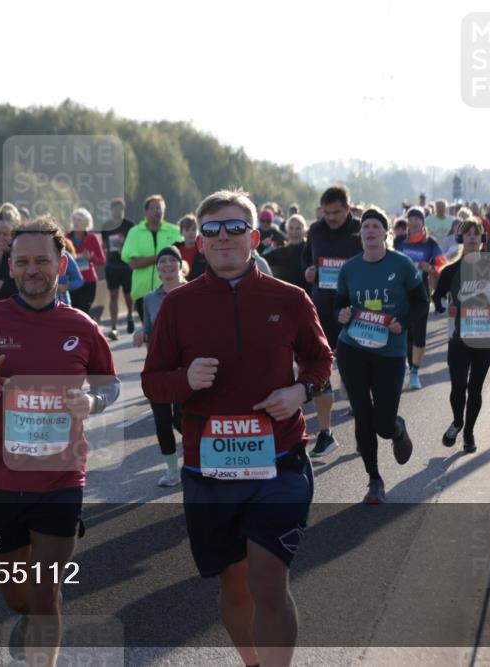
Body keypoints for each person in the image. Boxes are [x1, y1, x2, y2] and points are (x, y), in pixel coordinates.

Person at [142, 189, 332, 667]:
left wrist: (301, 392)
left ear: (253, 237)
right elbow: (152, 382)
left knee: (268, 581)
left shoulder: (289, 298)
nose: (222, 237)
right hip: (210, 471)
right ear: (199, 243)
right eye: (211, 230)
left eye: (233, 228)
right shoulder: (178, 306)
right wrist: (183, 380)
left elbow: (320, 357)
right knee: (236, 586)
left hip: (279, 461)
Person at [0, 214, 118, 667]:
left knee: (44, 589)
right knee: (19, 596)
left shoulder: (81, 326)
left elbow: (110, 384)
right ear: (11, 267)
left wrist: (92, 401)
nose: (33, 268)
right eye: (23, 261)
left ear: (60, 264)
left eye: (42, 260)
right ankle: (30, 615)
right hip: (0, 478)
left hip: (61, 479)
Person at [335, 208, 426, 503]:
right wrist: (343, 313)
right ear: (360, 234)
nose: (370, 231)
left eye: (376, 226)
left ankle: (397, 428)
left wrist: (404, 322)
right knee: (362, 415)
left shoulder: (401, 264)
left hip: (389, 351)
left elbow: (420, 301)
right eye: (366, 227)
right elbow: (339, 303)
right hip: (353, 349)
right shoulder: (349, 268)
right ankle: (374, 481)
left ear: (385, 233)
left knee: (383, 424)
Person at [433, 220, 490, 452]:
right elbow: (437, 299)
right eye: (468, 234)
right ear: (460, 238)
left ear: (482, 238)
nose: (473, 238)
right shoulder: (450, 270)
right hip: (459, 339)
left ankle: (469, 433)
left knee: (475, 389)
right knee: (458, 386)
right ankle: (457, 421)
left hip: (485, 339)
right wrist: (447, 307)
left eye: (477, 234)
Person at [301, 185, 362, 457]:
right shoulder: (315, 230)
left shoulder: (360, 230)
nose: (331, 218)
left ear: (347, 209)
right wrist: (308, 271)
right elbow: (306, 257)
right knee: (320, 370)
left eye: (336, 212)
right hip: (322, 309)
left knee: (356, 375)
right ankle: (325, 434)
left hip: (353, 313)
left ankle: (364, 430)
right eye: (326, 212)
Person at [133, 245, 187, 486]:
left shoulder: (193, 292)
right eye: (162, 261)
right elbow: (148, 329)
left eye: (172, 260)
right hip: (159, 368)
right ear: (157, 268)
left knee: (182, 420)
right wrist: (140, 333)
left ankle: (197, 460)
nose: (167, 265)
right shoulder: (149, 299)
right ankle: (172, 471)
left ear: (180, 264)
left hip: (187, 368)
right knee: (162, 420)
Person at [393, 207, 445, 390]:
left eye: (417, 219)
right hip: (400, 293)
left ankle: (415, 372)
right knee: (404, 333)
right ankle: (407, 367)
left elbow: (442, 267)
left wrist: (429, 269)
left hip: (421, 294)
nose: (414, 222)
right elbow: (390, 261)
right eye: (411, 219)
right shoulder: (399, 241)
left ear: (423, 222)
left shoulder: (430, 243)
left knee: (419, 334)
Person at [122, 194, 182, 325]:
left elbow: (182, 261)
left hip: (170, 291)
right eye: (154, 208)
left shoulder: (174, 231)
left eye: (160, 208)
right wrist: (160, 257)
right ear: (146, 212)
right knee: (150, 334)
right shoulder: (135, 232)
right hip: (142, 293)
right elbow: (133, 264)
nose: (157, 211)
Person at [99, 198, 136, 340]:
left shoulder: (130, 225)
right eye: (115, 209)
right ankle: (114, 327)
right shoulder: (106, 226)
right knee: (113, 295)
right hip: (112, 265)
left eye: (120, 208)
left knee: (128, 295)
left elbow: (135, 243)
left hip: (127, 265)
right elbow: (104, 245)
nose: (117, 211)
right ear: (111, 210)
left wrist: (123, 247)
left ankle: (130, 315)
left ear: (123, 209)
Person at [67, 208, 107, 316]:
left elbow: (102, 260)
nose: (76, 222)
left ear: (86, 223)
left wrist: (91, 258)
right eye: (74, 219)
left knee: (83, 312)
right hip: (71, 281)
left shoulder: (92, 238)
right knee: (72, 312)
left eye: (79, 220)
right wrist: (72, 258)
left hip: (88, 281)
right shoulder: (66, 237)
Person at [266, 214, 310, 292]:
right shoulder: (280, 252)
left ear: (304, 231)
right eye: (291, 228)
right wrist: (262, 246)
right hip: (285, 297)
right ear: (286, 231)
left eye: (298, 228)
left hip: (307, 297)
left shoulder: (311, 251)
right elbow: (259, 261)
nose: (294, 232)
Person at [174, 214, 207, 279]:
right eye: (187, 230)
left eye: (194, 229)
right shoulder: (175, 250)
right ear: (181, 232)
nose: (191, 232)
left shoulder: (204, 250)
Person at [57, 236, 84, 306]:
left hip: (63, 304)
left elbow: (79, 280)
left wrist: (65, 286)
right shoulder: (32, 256)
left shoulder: (65, 256)